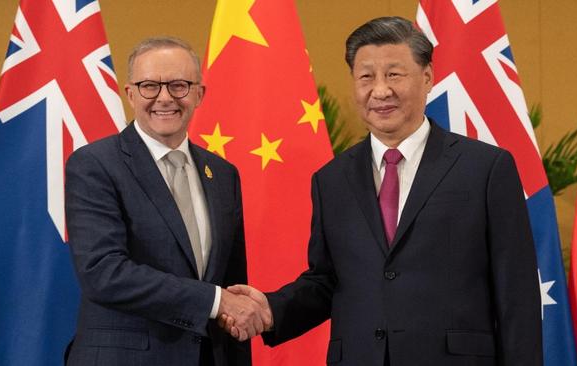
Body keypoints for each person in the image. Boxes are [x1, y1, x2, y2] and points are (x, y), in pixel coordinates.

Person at [223, 16, 542, 365]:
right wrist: (271, 310)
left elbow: (517, 295)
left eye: (394, 74)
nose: (380, 90)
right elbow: (328, 280)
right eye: (366, 77)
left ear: (427, 77)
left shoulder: (485, 168)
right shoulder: (331, 179)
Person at [64, 37, 270, 366]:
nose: (165, 98)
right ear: (130, 93)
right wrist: (216, 301)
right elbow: (103, 272)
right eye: (149, 86)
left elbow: (230, 282)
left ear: (199, 94)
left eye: (179, 85)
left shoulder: (222, 173)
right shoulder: (95, 165)